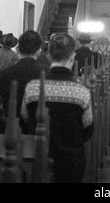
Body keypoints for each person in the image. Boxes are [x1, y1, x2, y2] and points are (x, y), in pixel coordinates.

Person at [21, 33, 94, 183]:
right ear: (72, 57)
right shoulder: (81, 91)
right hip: (71, 160)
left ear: (48, 56)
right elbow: (88, 129)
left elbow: (24, 120)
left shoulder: (33, 87)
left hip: (36, 156)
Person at [0, 30, 46, 116]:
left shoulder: (1, 76)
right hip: (35, 125)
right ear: (38, 51)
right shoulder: (46, 73)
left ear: (18, 49)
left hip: (9, 124)